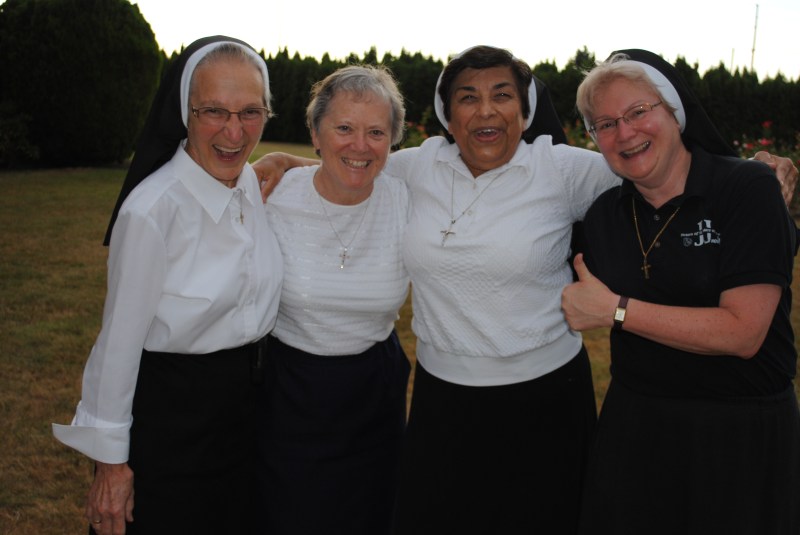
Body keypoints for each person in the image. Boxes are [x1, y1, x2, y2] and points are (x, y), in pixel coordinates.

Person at [253, 45, 797, 534]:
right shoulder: (420, 166)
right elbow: (358, 163)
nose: (485, 110)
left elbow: (663, 165)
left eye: (502, 96)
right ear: (448, 114)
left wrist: (752, 171)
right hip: (445, 401)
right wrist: (286, 163)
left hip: (546, 399)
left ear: (525, 109)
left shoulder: (560, 168)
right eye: (468, 97)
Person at [561, 49, 800, 534]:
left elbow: (743, 333)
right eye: (604, 124)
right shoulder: (605, 215)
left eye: (638, 112)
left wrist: (617, 311)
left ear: (674, 112)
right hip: (638, 430)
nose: (624, 133)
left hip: (739, 437)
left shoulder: (745, 188)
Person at [52, 36, 283, 535]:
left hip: (250, 411)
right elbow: (117, 346)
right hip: (176, 417)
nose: (234, 130)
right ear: (184, 112)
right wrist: (111, 465)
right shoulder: (152, 211)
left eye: (250, 112)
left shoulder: (248, 182)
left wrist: (284, 161)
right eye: (213, 111)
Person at [253, 65, 411, 535]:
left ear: (392, 141)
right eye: (344, 128)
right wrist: (282, 160)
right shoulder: (271, 196)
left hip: (374, 394)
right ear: (315, 133)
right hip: (290, 393)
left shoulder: (407, 196)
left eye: (375, 132)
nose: (360, 145)